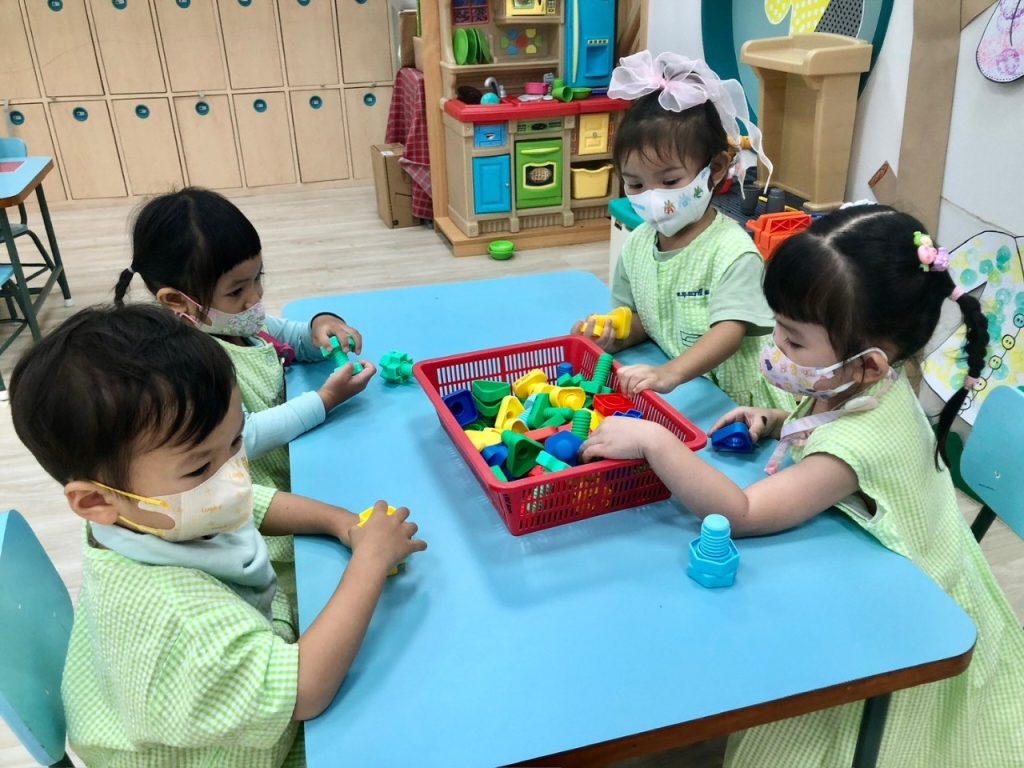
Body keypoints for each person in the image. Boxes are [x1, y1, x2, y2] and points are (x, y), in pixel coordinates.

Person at [582, 205, 1024, 766]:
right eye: (778, 326)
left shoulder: (860, 442)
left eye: (792, 341)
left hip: (903, 625)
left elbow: (742, 512)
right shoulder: (864, 383)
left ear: (868, 365)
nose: (774, 348)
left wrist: (655, 442)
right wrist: (775, 419)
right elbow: (822, 419)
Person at [9, 304, 426, 767]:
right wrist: (370, 560)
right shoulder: (181, 622)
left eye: (236, 441)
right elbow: (305, 689)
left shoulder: (142, 513)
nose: (233, 475)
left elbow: (250, 503)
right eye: (200, 467)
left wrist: (341, 523)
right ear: (94, 501)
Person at [115, 187, 375, 496]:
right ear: (176, 300)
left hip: (301, 454)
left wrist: (322, 327)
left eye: (257, 277)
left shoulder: (240, 320)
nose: (256, 296)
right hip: (264, 493)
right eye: (237, 291)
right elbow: (242, 437)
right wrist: (326, 399)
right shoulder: (189, 367)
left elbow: (292, 338)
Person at [572, 51, 793, 410]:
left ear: (716, 168)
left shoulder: (733, 252)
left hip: (737, 402)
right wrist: (614, 335)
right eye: (635, 184)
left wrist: (670, 374)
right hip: (684, 397)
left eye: (670, 181)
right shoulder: (638, 245)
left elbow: (730, 331)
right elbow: (644, 319)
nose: (653, 196)